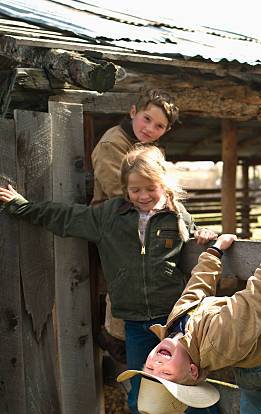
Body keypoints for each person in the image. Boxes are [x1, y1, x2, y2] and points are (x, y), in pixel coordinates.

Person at [0, 146, 243, 414]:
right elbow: (65, 217)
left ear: (164, 184)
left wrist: (205, 234)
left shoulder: (176, 216)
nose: (142, 196)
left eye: (149, 189)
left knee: (188, 385)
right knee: (139, 397)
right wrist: (22, 206)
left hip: (175, 321)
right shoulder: (110, 215)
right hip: (136, 325)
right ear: (125, 188)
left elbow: (194, 235)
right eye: (134, 189)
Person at [117, 235, 261, 414]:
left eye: (149, 370)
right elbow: (256, 300)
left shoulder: (176, 325)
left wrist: (215, 251)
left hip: (244, 371)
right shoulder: (219, 338)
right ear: (193, 371)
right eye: (166, 373)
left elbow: (197, 288)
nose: (156, 364)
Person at [91, 88, 180, 357]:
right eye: (146, 119)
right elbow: (118, 189)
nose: (150, 128)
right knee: (127, 276)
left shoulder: (148, 149)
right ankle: (116, 336)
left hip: (142, 218)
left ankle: (152, 335)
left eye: (159, 125)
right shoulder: (112, 144)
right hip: (119, 220)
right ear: (133, 112)